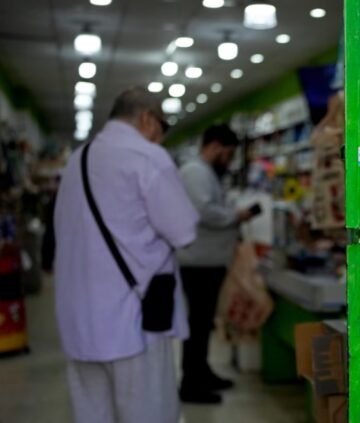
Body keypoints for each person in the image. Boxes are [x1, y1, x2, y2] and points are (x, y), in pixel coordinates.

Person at [54, 88, 199, 423]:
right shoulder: (147, 157)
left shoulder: (78, 159)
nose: (162, 137)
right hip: (132, 321)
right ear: (147, 119)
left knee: (92, 415)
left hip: (79, 323)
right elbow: (184, 231)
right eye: (163, 126)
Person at [177, 124, 260, 404]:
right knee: (198, 324)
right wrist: (236, 216)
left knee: (203, 323)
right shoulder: (195, 172)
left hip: (208, 261)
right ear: (214, 147)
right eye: (227, 154)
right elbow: (205, 211)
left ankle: (202, 372)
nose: (229, 160)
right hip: (198, 262)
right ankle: (191, 384)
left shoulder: (204, 172)